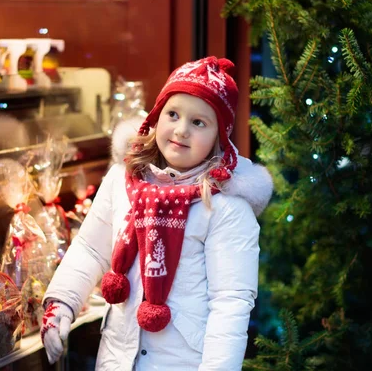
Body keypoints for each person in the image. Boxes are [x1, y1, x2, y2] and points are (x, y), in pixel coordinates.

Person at [40, 57, 273, 370]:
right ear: (156, 116)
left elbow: (230, 300)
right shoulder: (122, 180)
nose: (181, 130)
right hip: (117, 358)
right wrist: (61, 303)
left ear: (219, 136)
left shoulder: (225, 205)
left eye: (198, 123)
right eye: (173, 114)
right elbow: (91, 250)